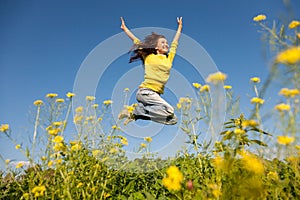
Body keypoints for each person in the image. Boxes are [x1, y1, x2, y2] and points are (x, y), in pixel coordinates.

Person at [118, 17, 183, 125]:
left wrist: (179, 28)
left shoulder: (169, 58)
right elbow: (137, 41)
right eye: (162, 42)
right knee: (170, 110)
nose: (166, 44)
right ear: (155, 46)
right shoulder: (148, 56)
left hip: (155, 95)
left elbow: (175, 43)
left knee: (172, 120)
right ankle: (135, 111)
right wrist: (125, 29)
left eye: (167, 42)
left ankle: (134, 115)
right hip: (145, 92)